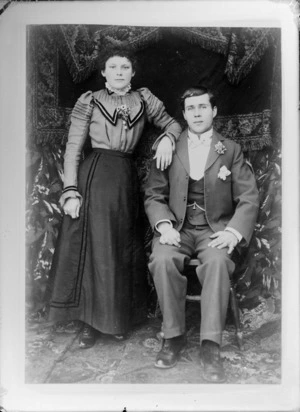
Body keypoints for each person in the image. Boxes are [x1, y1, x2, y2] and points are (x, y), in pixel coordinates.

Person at [46, 46, 182, 349]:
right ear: (104, 73)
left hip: (124, 177)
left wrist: (168, 139)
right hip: (94, 175)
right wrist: (71, 191)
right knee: (93, 247)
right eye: (113, 67)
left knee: (120, 247)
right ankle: (89, 324)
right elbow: (73, 148)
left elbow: (173, 124)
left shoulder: (144, 99)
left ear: (132, 73)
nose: (119, 72)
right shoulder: (91, 101)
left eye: (125, 67)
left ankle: (117, 319)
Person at [144, 86, 259, 383]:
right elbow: (154, 194)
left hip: (214, 230)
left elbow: (248, 197)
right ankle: (173, 337)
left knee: (219, 262)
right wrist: (165, 226)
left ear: (214, 111)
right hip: (178, 228)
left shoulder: (230, 149)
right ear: (183, 114)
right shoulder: (169, 146)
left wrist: (232, 232)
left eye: (202, 107)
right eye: (191, 109)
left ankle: (210, 345)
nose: (197, 113)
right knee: (162, 259)